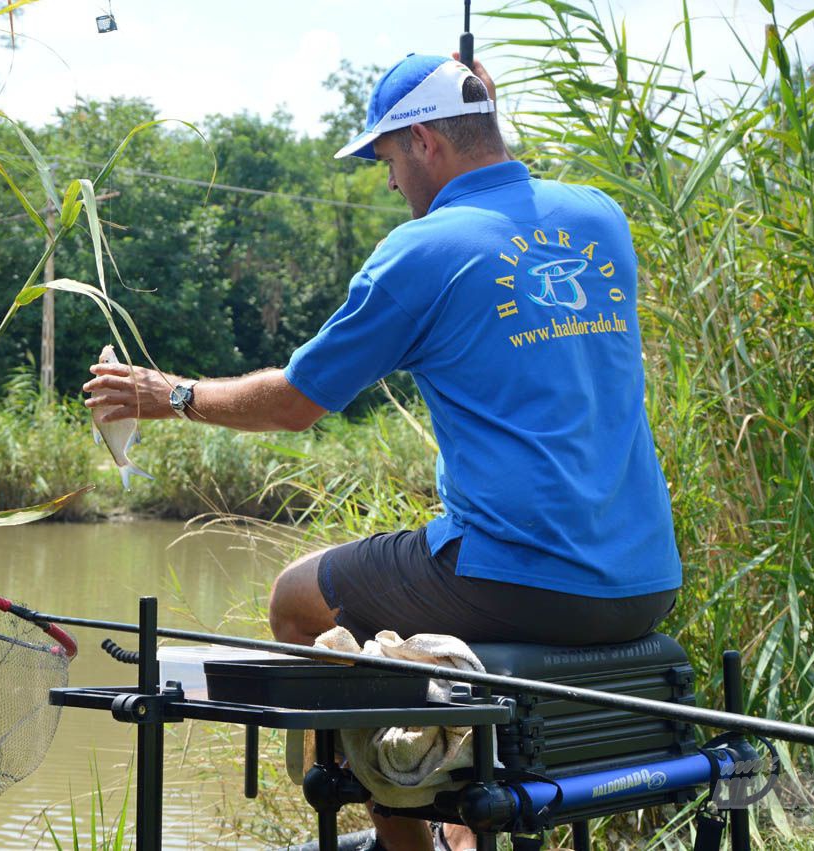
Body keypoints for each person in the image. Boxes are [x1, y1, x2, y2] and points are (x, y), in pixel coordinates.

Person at [83, 52, 681, 851]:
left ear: (426, 142)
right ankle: (462, 830)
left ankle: (407, 848)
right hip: (646, 581)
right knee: (419, 561)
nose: (389, 180)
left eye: (387, 157)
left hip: (528, 580)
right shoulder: (601, 219)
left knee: (300, 597)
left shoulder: (422, 252)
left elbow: (295, 403)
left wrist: (175, 395)